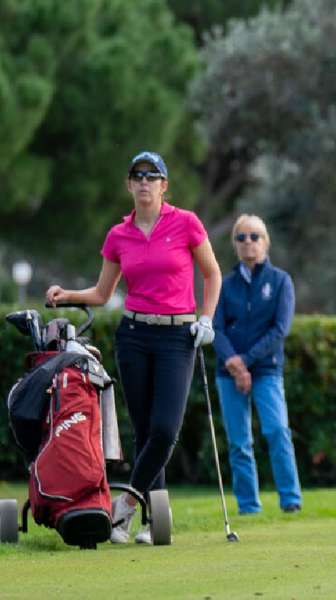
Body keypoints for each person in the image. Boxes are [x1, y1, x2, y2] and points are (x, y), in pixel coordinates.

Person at [46, 151, 222, 544]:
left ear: (164, 186)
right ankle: (151, 522)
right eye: (137, 176)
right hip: (134, 336)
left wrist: (206, 318)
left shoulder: (187, 223)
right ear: (129, 185)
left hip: (178, 336)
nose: (144, 182)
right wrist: (67, 293)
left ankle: (122, 507)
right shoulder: (118, 235)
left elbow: (212, 273)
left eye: (152, 176)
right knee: (143, 430)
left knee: (163, 428)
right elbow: (103, 291)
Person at [212, 214, 302, 514]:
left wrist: (245, 362)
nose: (248, 242)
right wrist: (234, 365)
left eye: (254, 236)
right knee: (239, 443)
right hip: (228, 373)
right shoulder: (225, 285)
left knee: (277, 431)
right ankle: (249, 507)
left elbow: (280, 329)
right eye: (241, 237)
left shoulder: (280, 281)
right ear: (235, 245)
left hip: (266, 370)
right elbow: (216, 328)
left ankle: (291, 500)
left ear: (266, 242)